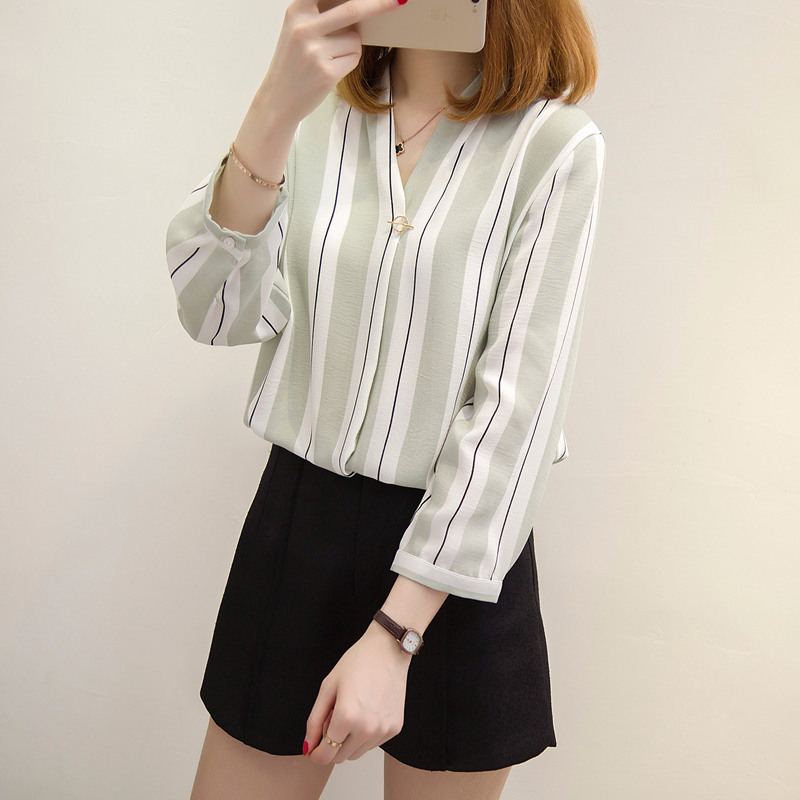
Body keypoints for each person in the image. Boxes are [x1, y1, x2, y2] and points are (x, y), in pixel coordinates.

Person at [165, 0, 606, 796]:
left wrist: (397, 632)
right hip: (296, 531)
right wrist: (273, 107)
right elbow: (216, 312)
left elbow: (516, 414)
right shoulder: (314, 122)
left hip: (457, 558)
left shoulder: (554, 147)